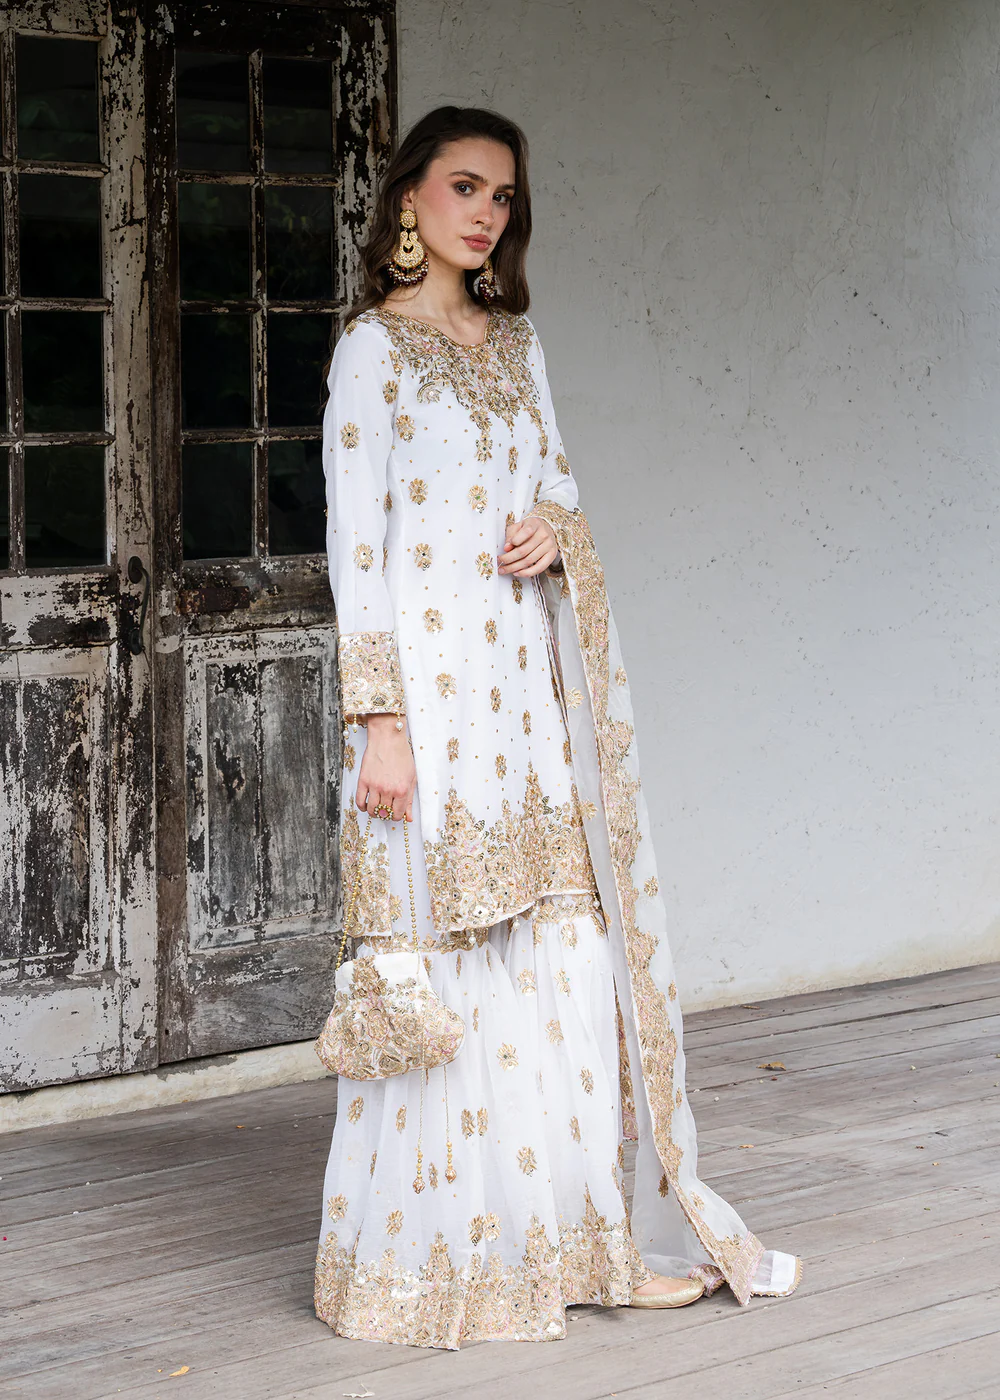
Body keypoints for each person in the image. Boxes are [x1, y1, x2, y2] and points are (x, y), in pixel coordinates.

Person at [313, 106, 801, 1351]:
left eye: (503, 197)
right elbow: (355, 550)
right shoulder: (370, 350)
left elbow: (560, 482)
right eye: (464, 186)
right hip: (429, 710)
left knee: (563, 957)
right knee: (445, 964)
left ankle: (588, 1247)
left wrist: (551, 526)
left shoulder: (517, 344)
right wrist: (379, 722)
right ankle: (445, 1268)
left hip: (526, 704)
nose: (486, 213)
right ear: (409, 198)